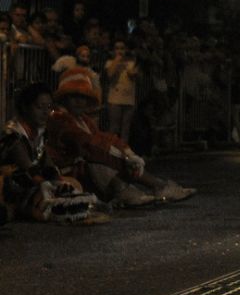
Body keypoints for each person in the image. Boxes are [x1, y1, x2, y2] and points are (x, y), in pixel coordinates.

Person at [46, 66, 195, 207]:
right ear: (64, 97)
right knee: (99, 162)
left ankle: (150, 187)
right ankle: (142, 188)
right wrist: (124, 157)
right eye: (74, 96)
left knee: (111, 158)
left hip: (84, 171)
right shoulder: (60, 119)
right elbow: (90, 145)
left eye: (83, 97)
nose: (79, 101)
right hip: (70, 176)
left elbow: (103, 138)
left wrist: (127, 152)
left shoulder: (83, 119)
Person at [1, 82, 102, 224]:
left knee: (71, 184)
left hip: (32, 183)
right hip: (12, 185)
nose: (45, 112)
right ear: (25, 107)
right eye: (39, 107)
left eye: (48, 107)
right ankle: (14, 210)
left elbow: (47, 163)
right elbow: (29, 169)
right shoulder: (14, 133)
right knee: (46, 200)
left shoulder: (40, 131)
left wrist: (59, 181)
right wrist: (49, 185)